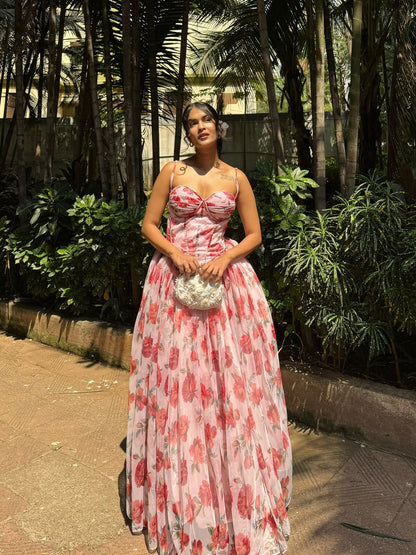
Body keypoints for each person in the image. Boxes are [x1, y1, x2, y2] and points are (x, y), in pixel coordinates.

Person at [126, 101, 292, 555]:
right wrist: (174, 253)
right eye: (191, 124)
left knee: (225, 382)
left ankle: (227, 474)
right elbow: (149, 223)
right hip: (173, 283)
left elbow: (254, 233)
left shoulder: (236, 179)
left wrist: (225, 257)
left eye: (205, 121)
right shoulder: (171, 173)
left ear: (219, 128)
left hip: (223, 282)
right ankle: (180, 474)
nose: (199, 128)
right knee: (177, 379)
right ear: (188, 132)